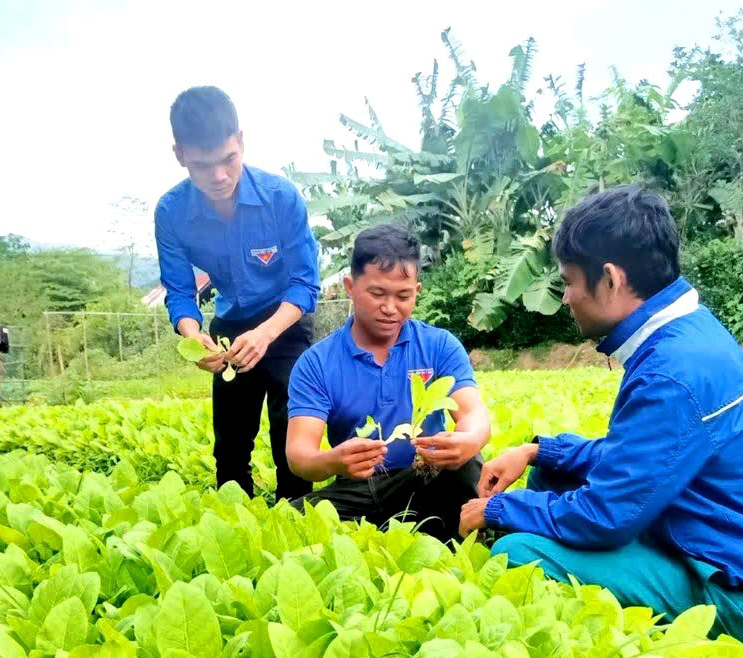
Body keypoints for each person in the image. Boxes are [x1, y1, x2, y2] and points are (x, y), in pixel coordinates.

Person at [459, 185, 743, 646]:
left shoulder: (671, 372)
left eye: (569, 282)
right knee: (553, 472)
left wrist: (496, 509)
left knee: (515, 553)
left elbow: (606, 514)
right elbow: (641, 460)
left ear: (610, 279)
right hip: (719, 537)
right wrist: (537, 451)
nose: (566, 298)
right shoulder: (687, 333)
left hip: (735, 589)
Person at [155, 86, 320, 501]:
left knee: (290, 435)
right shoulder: (171, 212)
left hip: (285, 324)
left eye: (228, 159)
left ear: (241, 142)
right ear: (180, 155)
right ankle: (234, 518)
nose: (219, 176)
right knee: (230, 445)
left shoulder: (280, 198)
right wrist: (193, 337)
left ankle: (297, 516)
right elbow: (179, 291)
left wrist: (265, 334)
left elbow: (304, 284)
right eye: (202, 165)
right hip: (228, 328)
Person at [285, 225, 491, 541]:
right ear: (350, 287)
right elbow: (299, 454)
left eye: (403, 296)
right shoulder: (316, 363)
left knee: (468, 467)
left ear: (417, 291)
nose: (390, 308)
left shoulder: (439, 346)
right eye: (377, 294)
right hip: (355, 488)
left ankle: (451, 539)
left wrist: (468, 439)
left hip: (422, 480)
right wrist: (333, 461)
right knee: (289, 520)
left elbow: (473, 413)